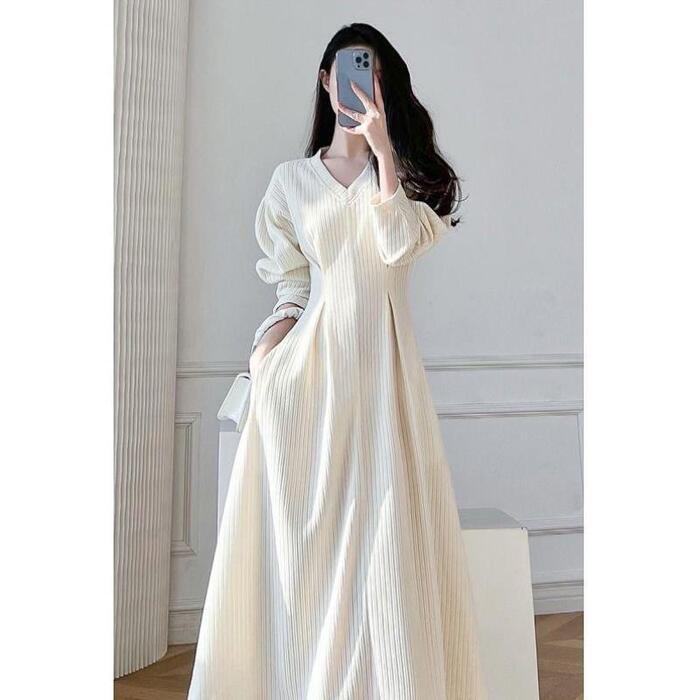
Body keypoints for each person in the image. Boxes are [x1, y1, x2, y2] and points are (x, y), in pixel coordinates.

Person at [188, 22, 486, 699]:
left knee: (389, 540)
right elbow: (293, 283)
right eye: (351, 69)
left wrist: (383, 153)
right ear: (327, 80)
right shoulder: (291, 182)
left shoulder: (408, 180)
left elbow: (394, 250)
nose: (360, 82)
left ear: (385, 83)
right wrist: (269, 343)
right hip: (310, 374)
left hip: (385, 376)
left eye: (372, 70)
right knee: (311, 547)